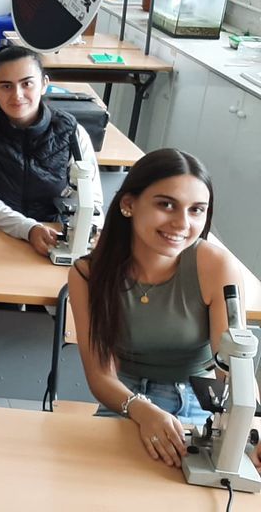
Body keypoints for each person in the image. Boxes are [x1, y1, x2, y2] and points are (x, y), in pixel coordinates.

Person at [69, 148, 261, 471]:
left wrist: (252, 427)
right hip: (126, 404)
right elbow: (100, 375)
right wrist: (142, 410)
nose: (182, 223)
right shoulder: (87, 274)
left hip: (202, 408)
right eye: (166, 204)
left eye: (197, 210)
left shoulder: (216, 266)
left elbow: (232, 368)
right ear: (128, 204)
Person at [0, 45, 103, 256]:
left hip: (52, 237)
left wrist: (88, 231)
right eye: (6, 86)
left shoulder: (72, 133)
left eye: (27, 83)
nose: (17, 95)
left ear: (44, 84)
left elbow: (91, 197)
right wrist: (29, 229)